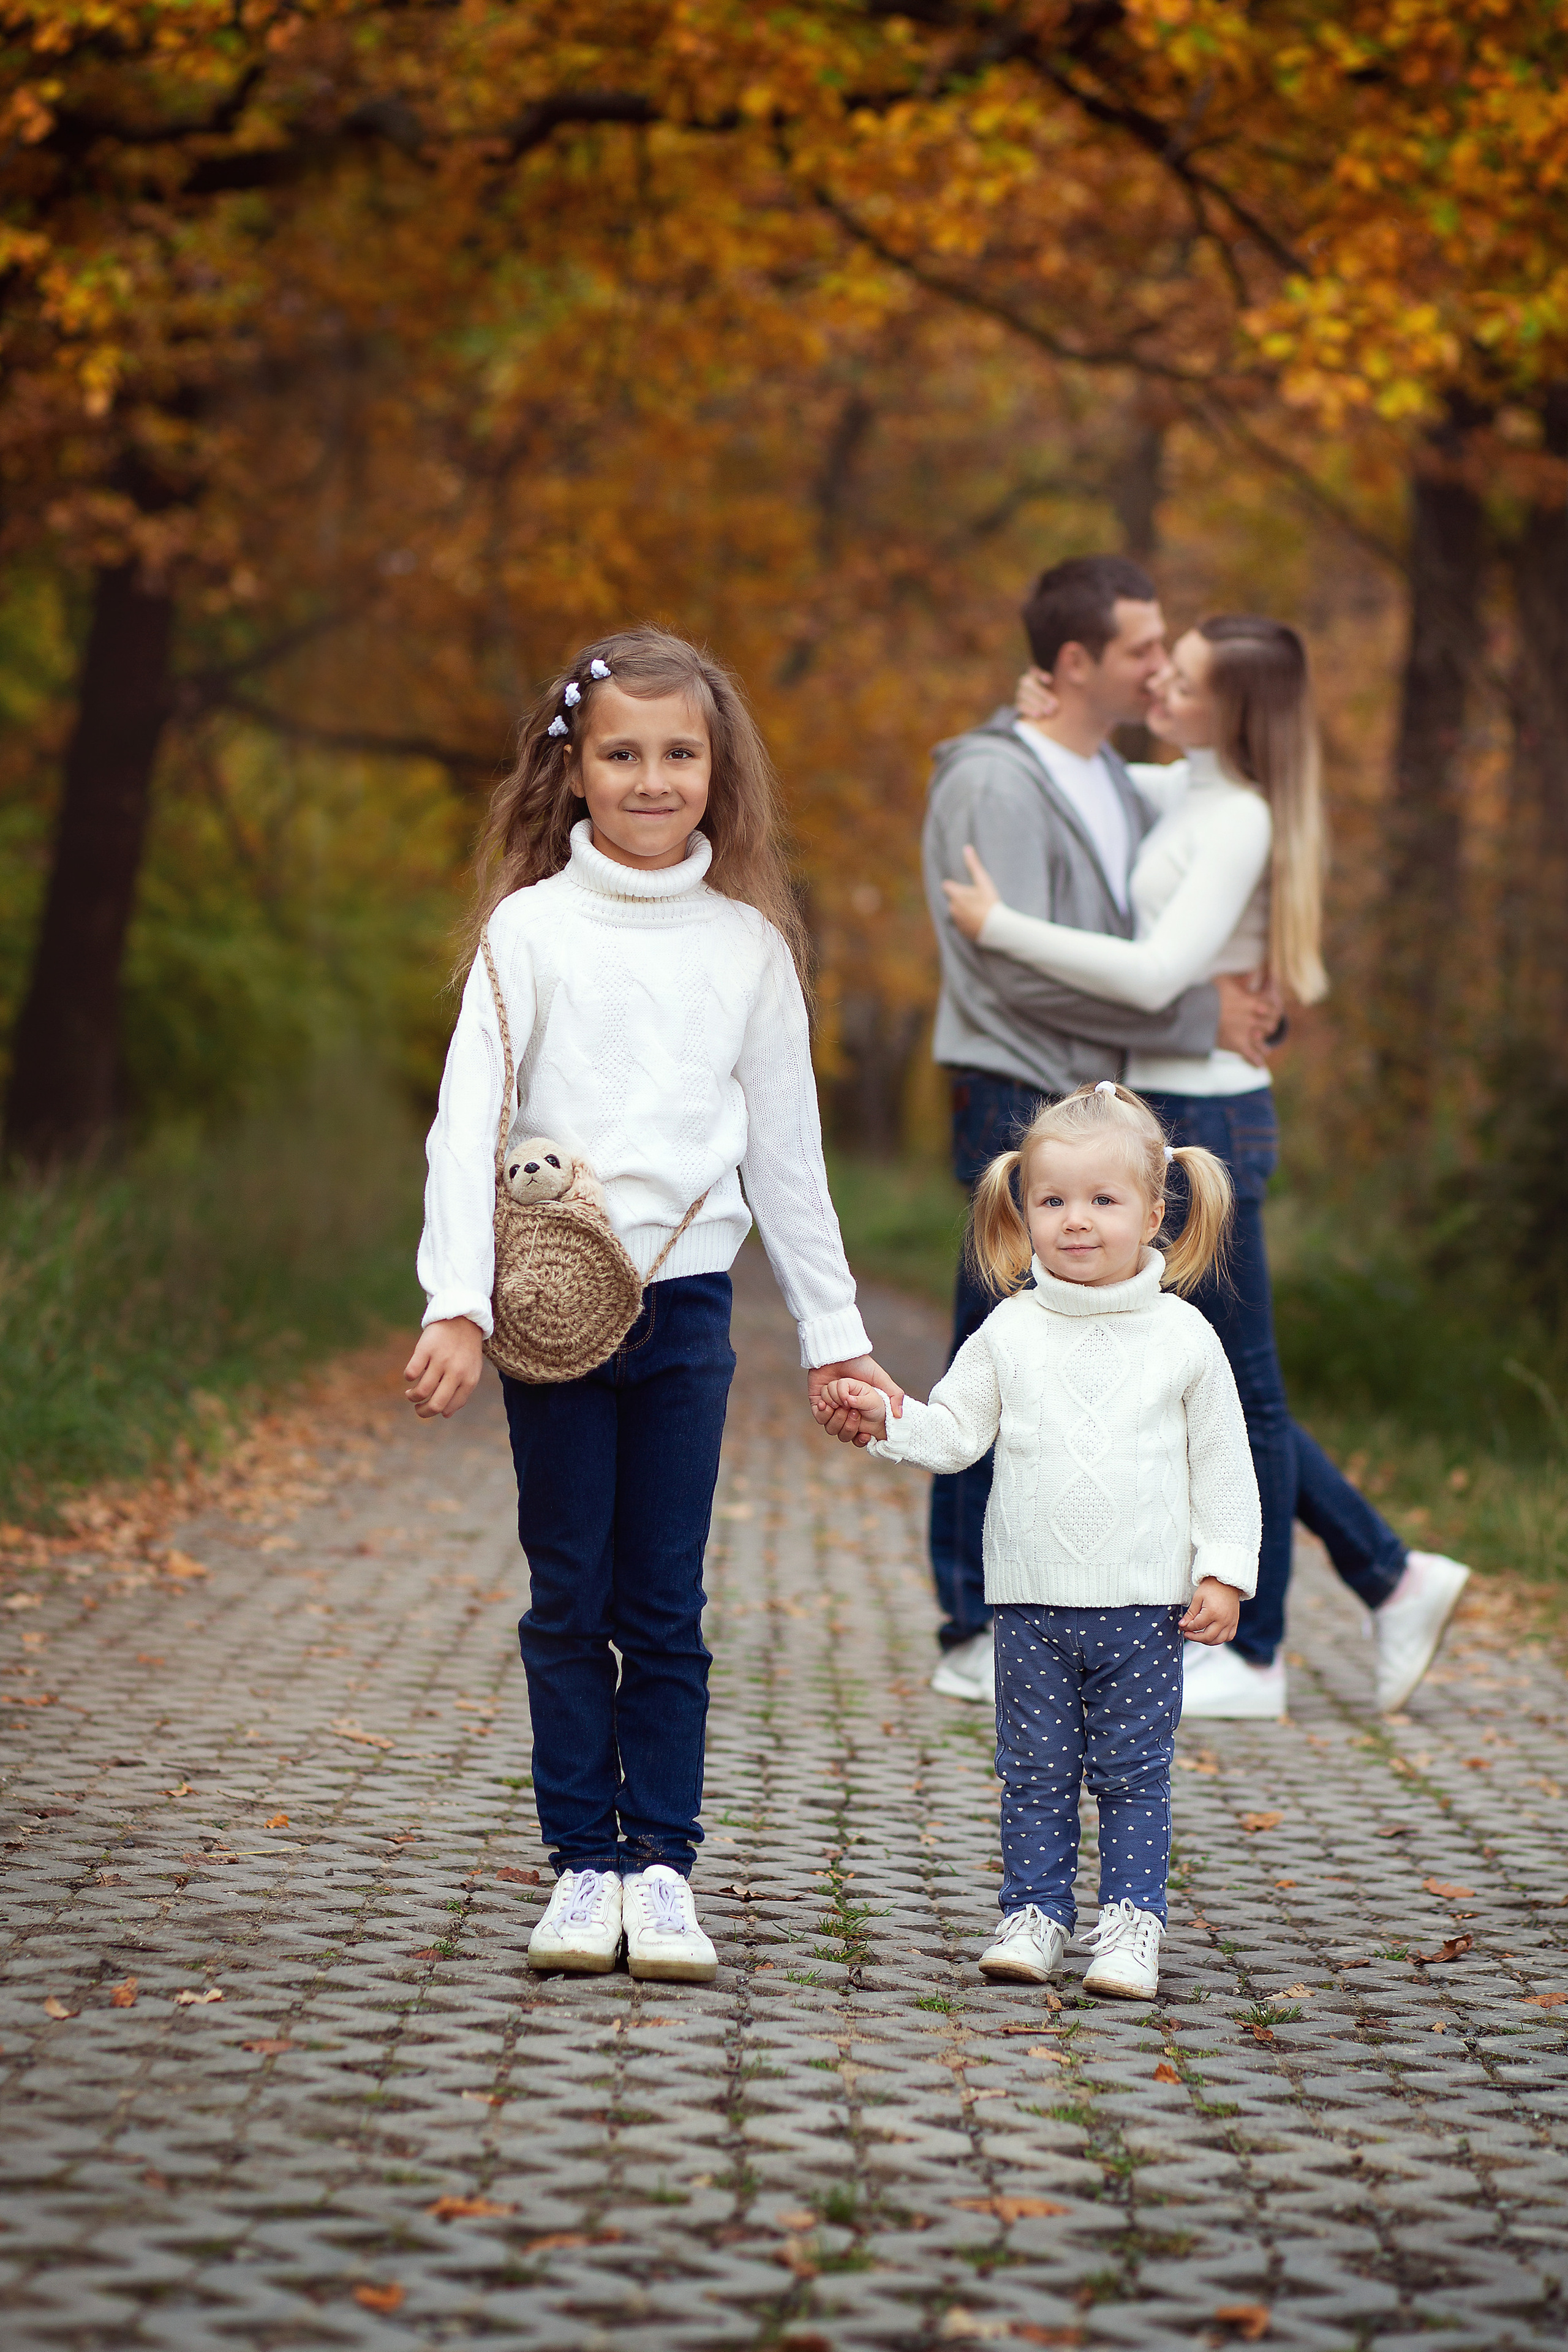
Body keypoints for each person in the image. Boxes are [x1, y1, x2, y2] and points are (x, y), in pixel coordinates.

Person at [406, 627, 900, 1983]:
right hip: (548, 1313)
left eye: (678, 754)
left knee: (663, 1602)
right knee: (568, 1594)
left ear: (715, 769)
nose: (650, 778)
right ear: (571, 768)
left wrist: (835, 1339)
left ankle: (663, 1870)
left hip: (684, 1315)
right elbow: (467, 1125)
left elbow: (787, 1159)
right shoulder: (529, 930)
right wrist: (454, 1299)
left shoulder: (747, 947)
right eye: (620, 753)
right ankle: (582, 1867)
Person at [942, 616, 1470, 1717]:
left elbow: (1155, 975)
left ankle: (1262, 1648)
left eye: (1179, 681)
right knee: (1215, 1384)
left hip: (1212, 1120)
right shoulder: (1179, 787)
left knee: (1246, 1394)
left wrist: (1001, 926)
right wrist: (1031, 710)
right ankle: (1393, 1573)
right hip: (1171, 1106)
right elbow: (1087, 765)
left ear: (1230, 711)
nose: (1158, 688)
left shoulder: (1240, 816)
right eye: (1158, 668)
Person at [921, 555, 1281, 1706]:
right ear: (1074, 662)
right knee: (996, 1344)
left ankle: (1375, 1571)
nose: (1158, 666)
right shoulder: (995, 780)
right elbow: (1010, 976)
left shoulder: (1124, 777)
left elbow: (1227, 813)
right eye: (1141, 649)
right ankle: (969, 1623)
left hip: (1097, 1113)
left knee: (1152, 1359)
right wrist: (1196, 1009)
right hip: (1015, 1090)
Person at [814, 1081, 1260, 2001]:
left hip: (1143, 1604)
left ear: (1155, 1211)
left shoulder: (1185, 1337)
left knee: (1134, 1774)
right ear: (1023, 1209)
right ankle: (1036, 1913)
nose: (1078, 1222)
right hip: (1029, 1603)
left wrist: (1224, 1571)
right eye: (1054, 1201)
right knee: (1034, 1772)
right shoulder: (1008, 1330)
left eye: (1105, 1201)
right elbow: (953, 1433)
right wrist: (885, 1417)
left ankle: (1131, 1924)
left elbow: (1224, 1465)